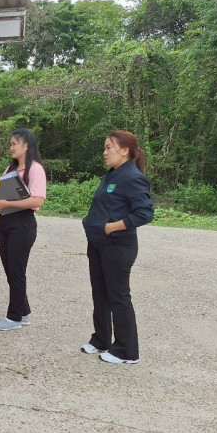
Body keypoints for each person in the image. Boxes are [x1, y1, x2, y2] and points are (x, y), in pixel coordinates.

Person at [81, 130, 153, 364]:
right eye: (104, 147)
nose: (104, 152)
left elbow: (144, 213)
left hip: (118, 246)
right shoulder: (113, 174)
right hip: (99, 244)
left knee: (118, 296)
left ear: (124, 150)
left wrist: (111, 227)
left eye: (109, 147)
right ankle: (101, 339)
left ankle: (127, 351)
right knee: (100, 293)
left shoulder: (132, 177)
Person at [0, 129, 47, 331]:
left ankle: (13, 317)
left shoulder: (35, 169)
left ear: (26, 145)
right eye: (10, 144)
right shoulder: (11, 168)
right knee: (10, 269)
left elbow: (38, 200)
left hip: (22, 224)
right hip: (5, 221)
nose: (11, 148)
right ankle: (23, 313)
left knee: (17, 270)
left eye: (15, 144)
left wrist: (8, 203)